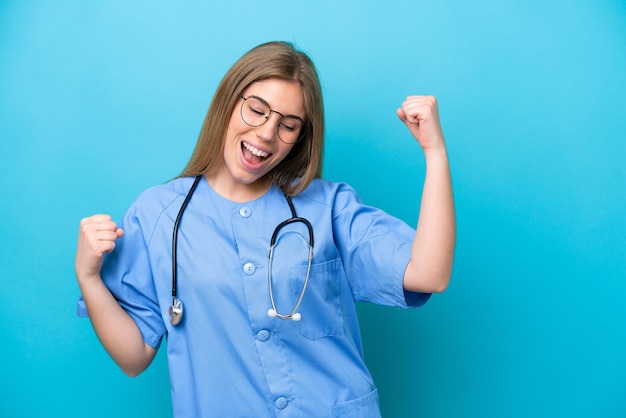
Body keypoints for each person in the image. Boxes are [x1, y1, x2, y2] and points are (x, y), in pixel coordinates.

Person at [75, 41, 455, 417]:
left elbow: (429, 274)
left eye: (288, 125)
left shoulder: (328, 207)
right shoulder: (158, 214)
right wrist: (88, 277)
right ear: (228, 102)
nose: (267, 133)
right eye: (256, 110)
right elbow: (133, 357)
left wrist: (434, 153)